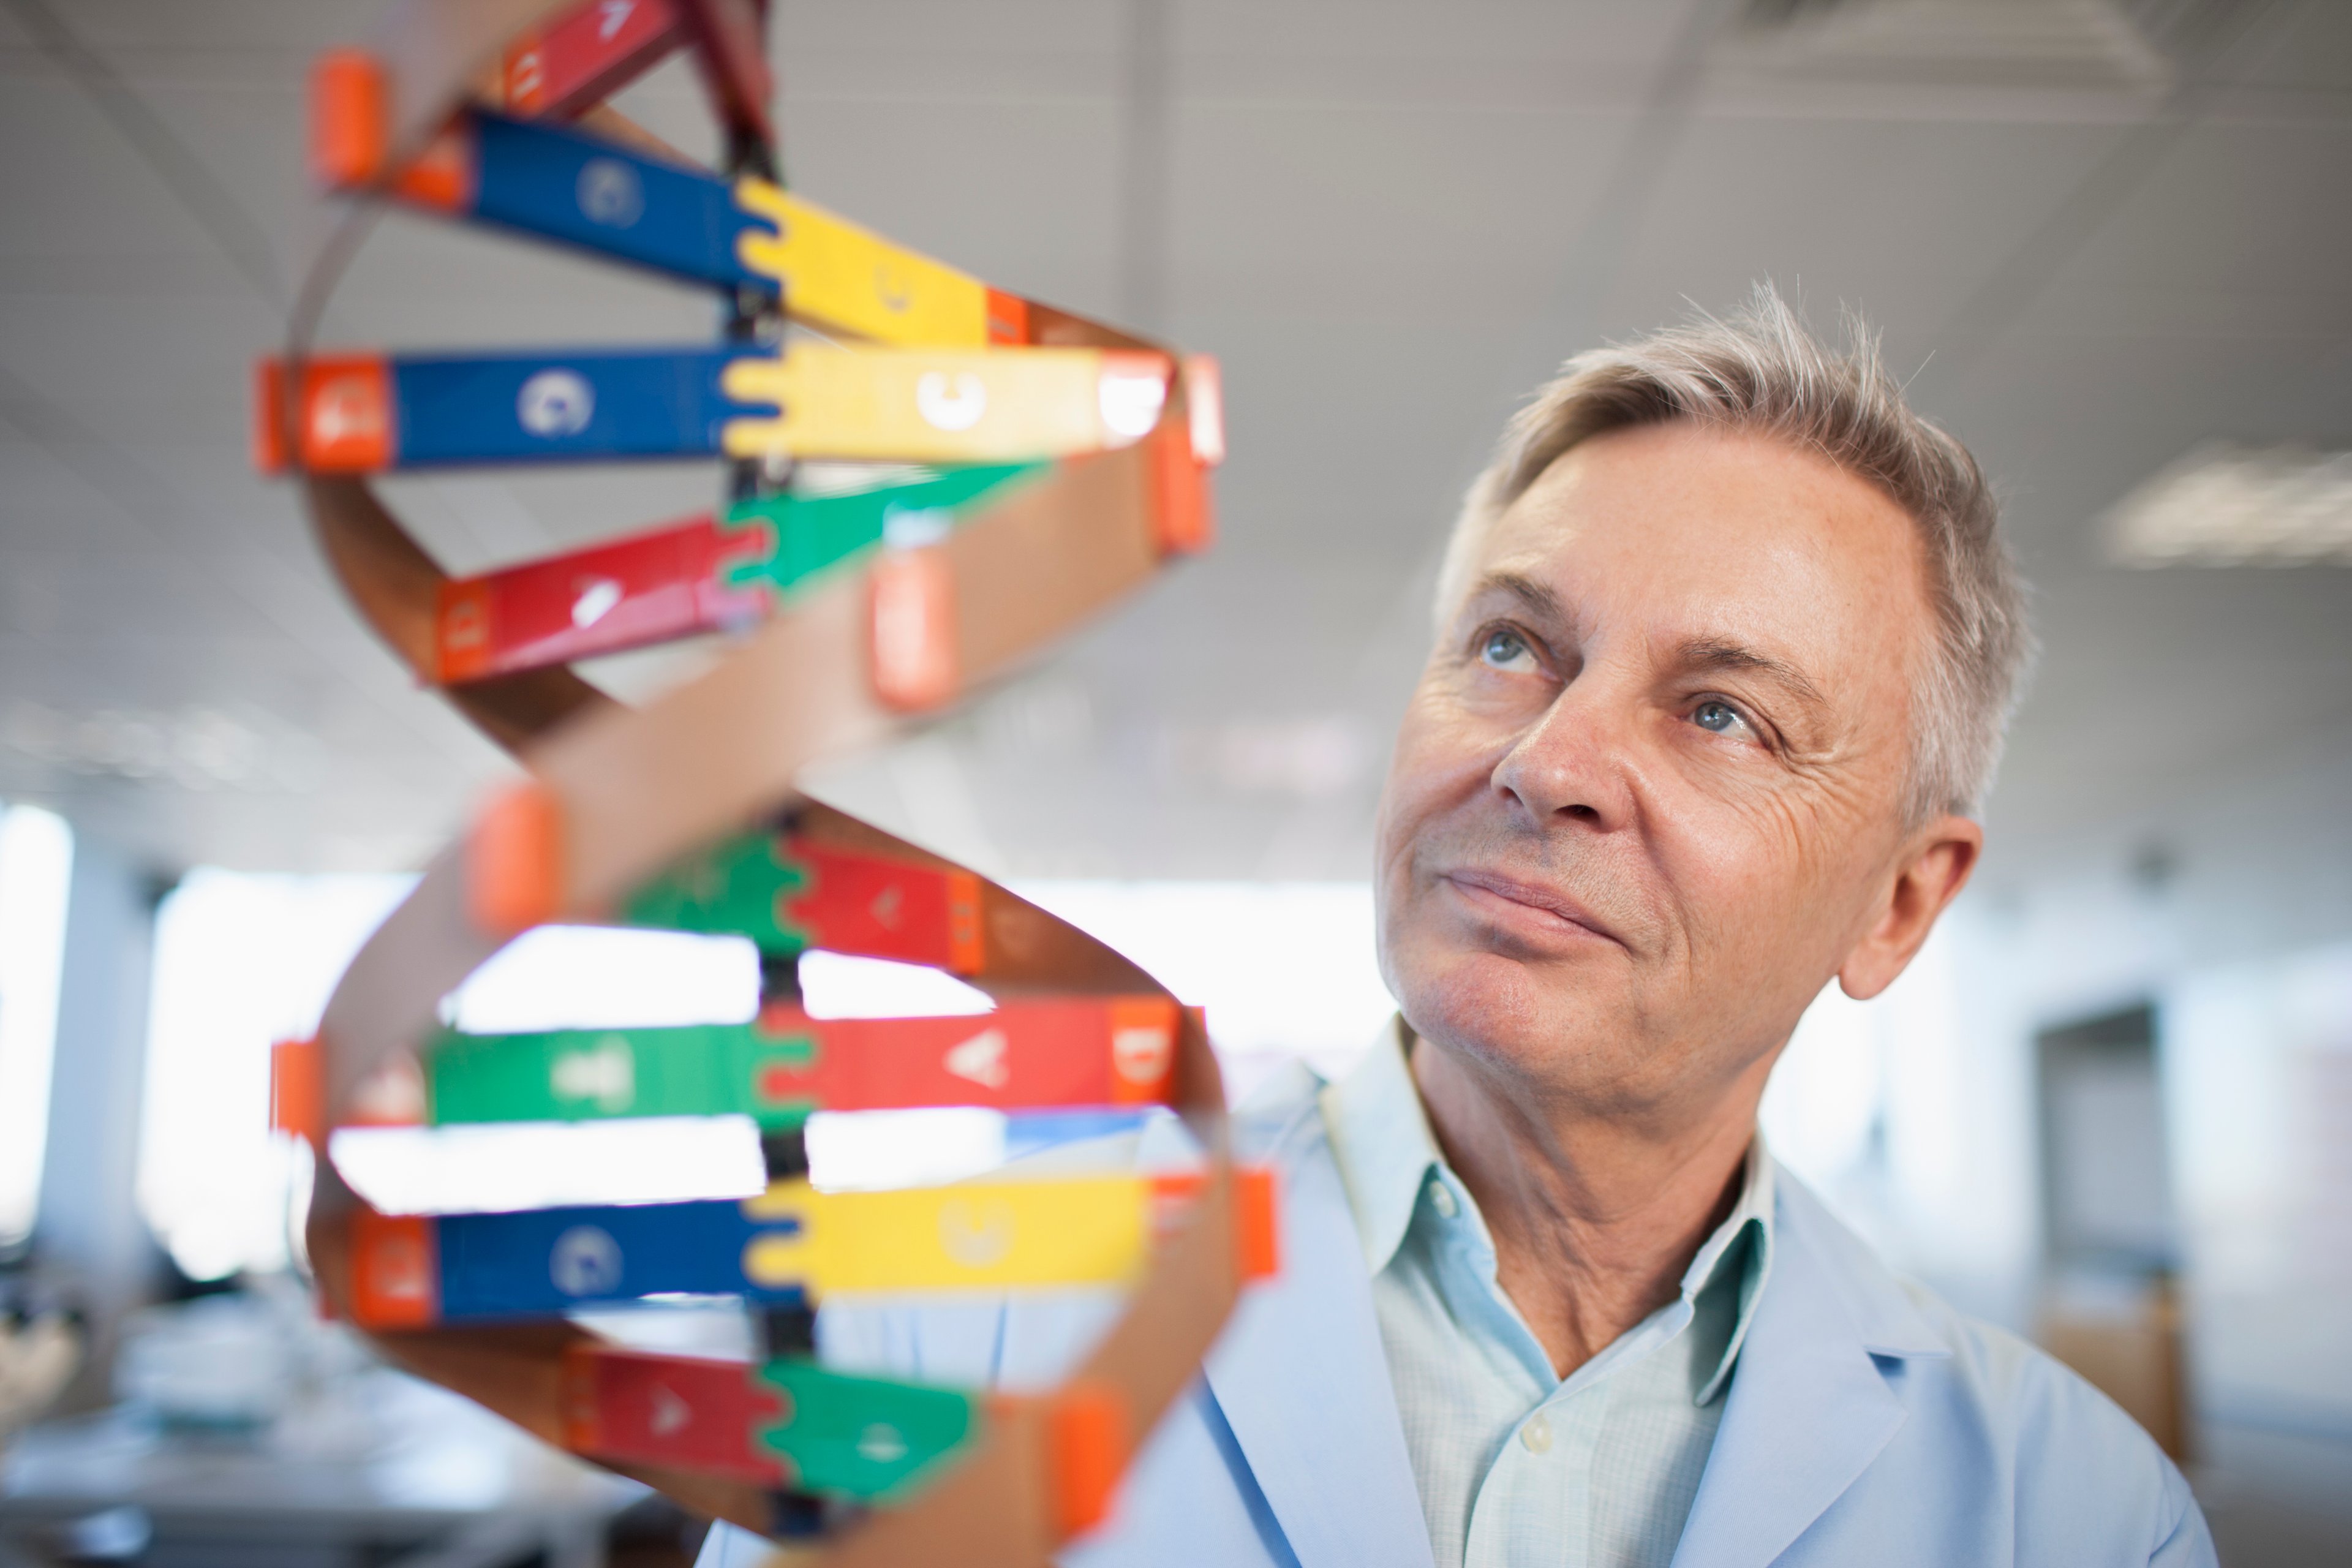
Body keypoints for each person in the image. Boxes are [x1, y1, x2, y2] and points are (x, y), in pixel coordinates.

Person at [699, 287, 2215, 1567]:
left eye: (1721, 713)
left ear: (1896, 905)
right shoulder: (920, 1333)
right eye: (1510, 644)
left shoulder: (2070, 1509)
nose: (1546, 759)